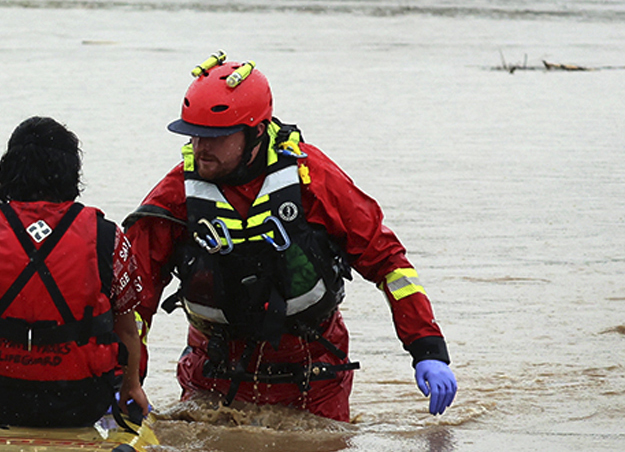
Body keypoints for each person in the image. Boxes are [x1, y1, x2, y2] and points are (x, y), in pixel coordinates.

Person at [122, 52, 459, 421]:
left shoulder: (313, 181)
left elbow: (388, 264)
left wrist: (427, 350)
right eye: (195, 135)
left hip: (313, 378)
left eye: (216, 137)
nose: (202, 147)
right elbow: (132, 301)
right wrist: (123, 383)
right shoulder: (175, 196)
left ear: (255, 132)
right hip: (212, 376)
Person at [0, 117, 149, 429]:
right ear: (70, 170)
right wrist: (132, 388)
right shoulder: (107, 236)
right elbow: (127, 328)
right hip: (81, 403)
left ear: (9, 167)